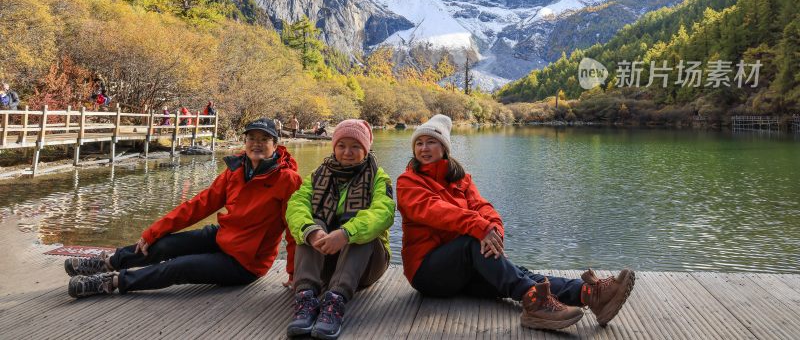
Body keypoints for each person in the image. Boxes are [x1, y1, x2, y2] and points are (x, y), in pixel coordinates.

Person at [396, 114, 636, 331]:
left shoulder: (461, 179)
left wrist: (494, 230)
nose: (424, 148)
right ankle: (536, 305)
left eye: (431, 142)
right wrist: (481, 229)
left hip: (463, 272)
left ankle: (589, 294)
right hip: (427, 272)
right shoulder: (408, 182)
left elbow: (482, 207)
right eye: (419, 143)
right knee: (473, 241)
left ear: (444, 148)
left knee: (519, 274)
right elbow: (435, 210)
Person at [64, 118, 302, 298]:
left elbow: (293, 230)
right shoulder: (237, 169)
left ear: (275, 144)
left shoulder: (287, 180)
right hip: (223, 237)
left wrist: (294, 273)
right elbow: (198, 205)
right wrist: (154, 231)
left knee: (180, 266)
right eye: (252, 138)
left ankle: (114, 282)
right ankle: (110, 261)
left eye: (264, 139)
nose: (257, 144)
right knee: (165, 244)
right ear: (245, 141)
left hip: (246, 262)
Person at [285, 119, 394, 339]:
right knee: (310, 226)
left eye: (356, 146)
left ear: (366, 148)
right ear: (334, 147)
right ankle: (306, 295)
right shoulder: (318, 175)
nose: (348, 152)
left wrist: (345, 234)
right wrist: (313, 232)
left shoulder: (378, 177)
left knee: (362, 231)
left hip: (365, 266)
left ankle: (335, 301)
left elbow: (383, 213)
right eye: (342, 145)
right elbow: (296, 205)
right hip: (325, 261)